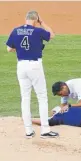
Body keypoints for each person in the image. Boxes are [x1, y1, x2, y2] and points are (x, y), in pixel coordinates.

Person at [6, 10, 59, 139]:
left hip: (21, 66)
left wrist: (21, 49)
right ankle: (45, 130)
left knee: (25, 98)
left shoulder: (15, 30)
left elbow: (9, 49)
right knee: (42, 96)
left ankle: (28, 131)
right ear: (36, 20)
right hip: (34, 66)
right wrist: (43, 22)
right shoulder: (38, 31)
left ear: (26, 19)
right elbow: (51, 35)